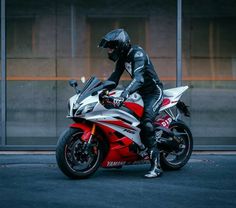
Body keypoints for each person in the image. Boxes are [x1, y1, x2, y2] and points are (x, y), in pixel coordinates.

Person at [98, 29, 163, 178]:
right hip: (139, 93)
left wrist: (124, 94)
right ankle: (122, 155)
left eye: (111, 47)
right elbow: (114, 78)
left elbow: (139, 79)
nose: (108, 51)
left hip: (153, 92)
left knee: (146, 123)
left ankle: (156, 166)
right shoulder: (122, 58)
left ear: (120, 45)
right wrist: (99, 90)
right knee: (126, 119)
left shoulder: (137, 54)